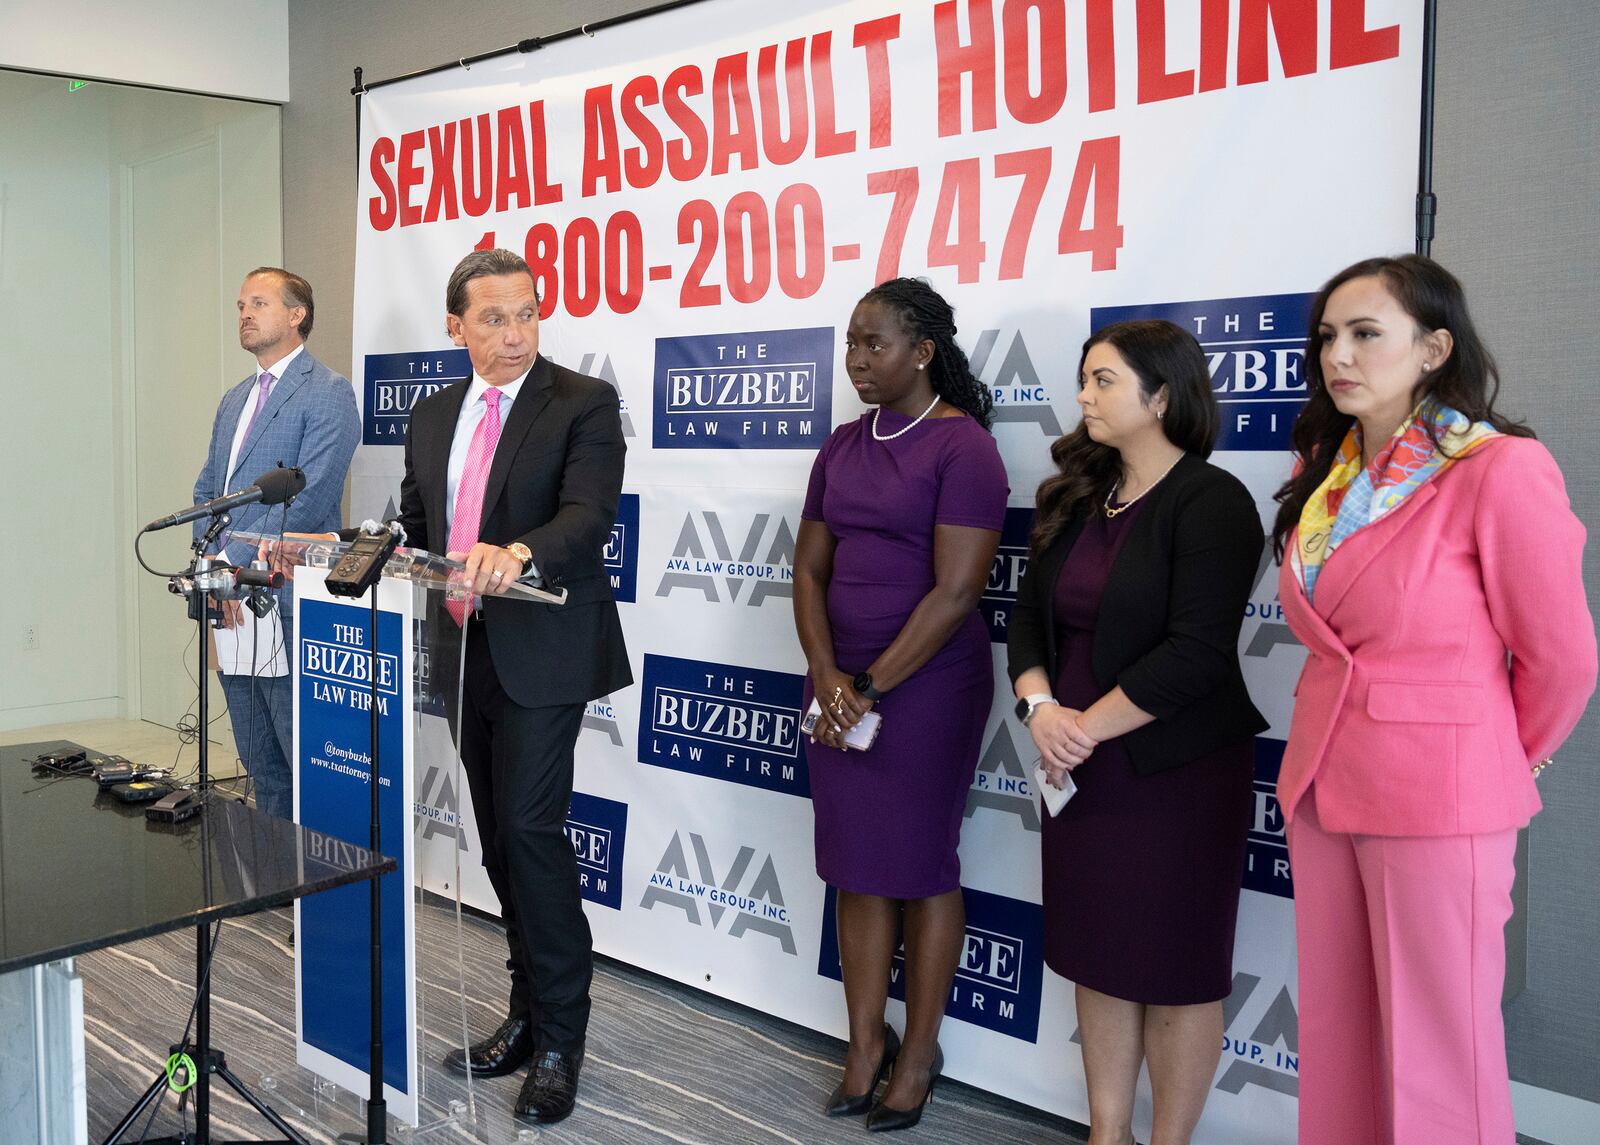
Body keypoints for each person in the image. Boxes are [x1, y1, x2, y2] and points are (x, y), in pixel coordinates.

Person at [1272, 255, 1595, 1145]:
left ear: (1433, 347)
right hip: (1324, 780)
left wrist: (1490, 755)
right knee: (1340, 1035)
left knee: (1440, 1054)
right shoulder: (1327, 472)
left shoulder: (1497, 468)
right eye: (1329, 336)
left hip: (1441, 795)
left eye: (1366, 333)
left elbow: (1562, 658)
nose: (1339, 353)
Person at [1007, 320, 1266, 1145]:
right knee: (1099, 955)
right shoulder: (1079, 498)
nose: (1084, 396)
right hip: (1077, 767)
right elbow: (1026, 626)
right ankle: (1106, 1133)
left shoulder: (1213, 500)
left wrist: (1084, 725)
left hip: (1175, 773)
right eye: (1084, 379)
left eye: (1104, 380)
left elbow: (1197, 652)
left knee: (1178, 972)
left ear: (1162, 396)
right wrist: (1040, 709)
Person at [793, 277, 1007, 1133]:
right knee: (855, 863)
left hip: (926, 690)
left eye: (873, 344)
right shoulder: (842, 445)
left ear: (922, 351)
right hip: (836, 686)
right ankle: (862, 1045)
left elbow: (956, 593)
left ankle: (919, 1053)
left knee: (919, 865)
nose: (857, 361)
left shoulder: (965, 451)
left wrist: (868, 686)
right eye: (850, 344)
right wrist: (825, 676)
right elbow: (807, 569)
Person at [192, 267, 358, 821]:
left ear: (296, 315)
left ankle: (310, 884)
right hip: (228, 598)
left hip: (281, 594)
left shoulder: (329, 392)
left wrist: (233, 570)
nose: (244, 313)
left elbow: (306, 503)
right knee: (257, 758)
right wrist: (211, 572)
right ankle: (272, 883)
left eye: (258, 303)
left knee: (296, 752)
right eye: (241, 304)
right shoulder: (233, 399)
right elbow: (207, 492)